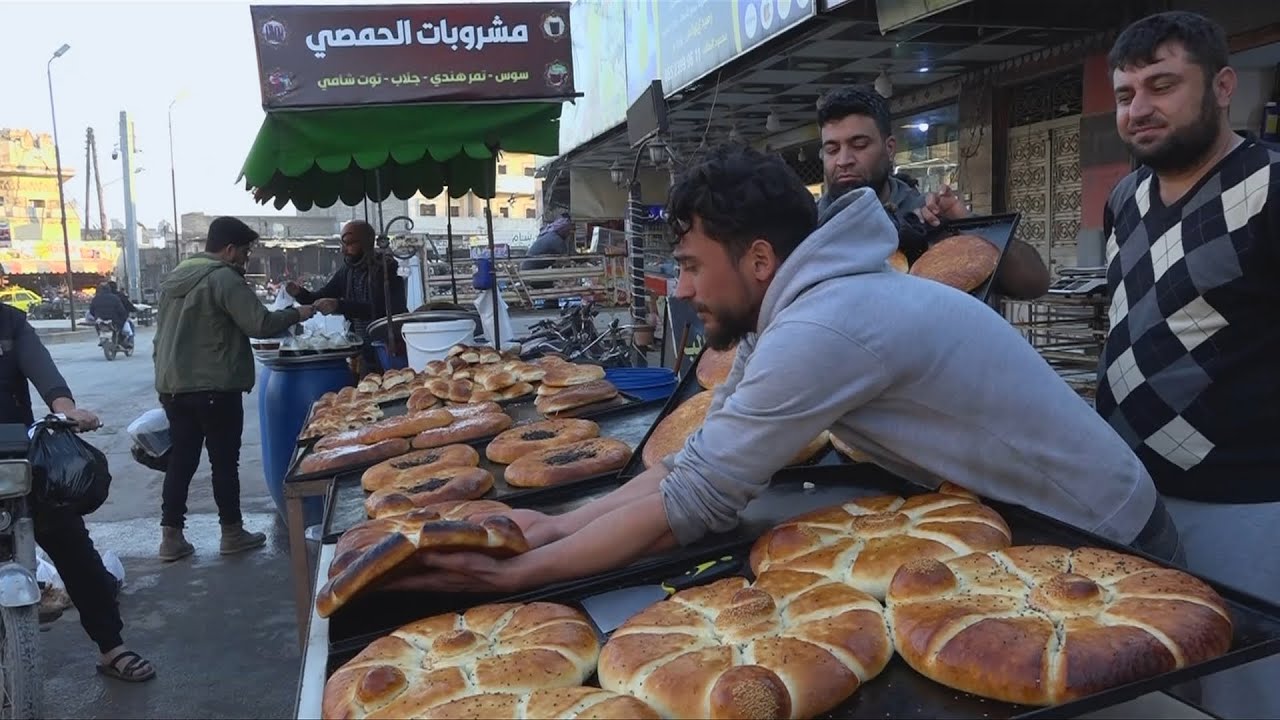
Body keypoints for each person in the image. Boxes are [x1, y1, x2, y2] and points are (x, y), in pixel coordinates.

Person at [387, 144, 1177, 596]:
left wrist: (518, 577)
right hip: (1044, 521)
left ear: (760, 259)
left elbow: (692, 501)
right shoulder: (802, 309)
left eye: (694, 265)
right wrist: (557, 524)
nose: (683, 288)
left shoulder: (826, 324)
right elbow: (697, 461)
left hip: (1105, 535)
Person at [1098, 11, 1280, 717]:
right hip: (1135, 497)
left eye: (1163, 85)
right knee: (1155, 679)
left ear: (1224, 85)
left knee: (1246, 686)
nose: (1139, 108)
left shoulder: (1268, 186)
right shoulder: (1124, 196)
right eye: (1125, 93)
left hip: (1244, 503)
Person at [0, 301, 155, 681]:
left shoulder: (10, 322)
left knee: (73, 547)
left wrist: (65, 407)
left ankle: (111, 647)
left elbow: (44, 371)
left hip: (15, 457)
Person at [153, 217, 315, 561]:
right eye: (244, 252)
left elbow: (160, 336)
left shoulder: (175, 279)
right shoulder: (223, 278)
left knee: (181, 461)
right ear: (228, 250)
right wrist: (300, 312)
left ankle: (171, 537)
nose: (245, 259)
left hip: (173, 387)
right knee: (224, 462)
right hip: (214, 387)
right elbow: (260, 324)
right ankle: (231, 532)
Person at [816, 85, 1051, 300]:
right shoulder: (807, 228)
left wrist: (968, 224)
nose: (843, 160)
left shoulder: (929, 218)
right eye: (832, 149)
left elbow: (1033, 284)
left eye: (859, 145)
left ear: (889, 149)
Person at [286, 220, 407, 373]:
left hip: (388, 348)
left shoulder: (386, 270)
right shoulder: (348, 271)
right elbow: (321, 296)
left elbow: (379, 309)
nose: (344, 250)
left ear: (366, 243)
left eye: (349, 243)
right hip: (363, 350)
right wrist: (300, 293)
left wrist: (339, 305)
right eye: (342, 244)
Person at [87, 281, 132, 349]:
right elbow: (121, 310)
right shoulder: (115, 298)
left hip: (100, 320)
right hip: (114, 320)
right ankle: (122, 340)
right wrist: (124, 316)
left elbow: (91, 310)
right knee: (120, 327)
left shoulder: (96, 298)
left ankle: (102, 338)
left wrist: (96, 316)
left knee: (98, 326)